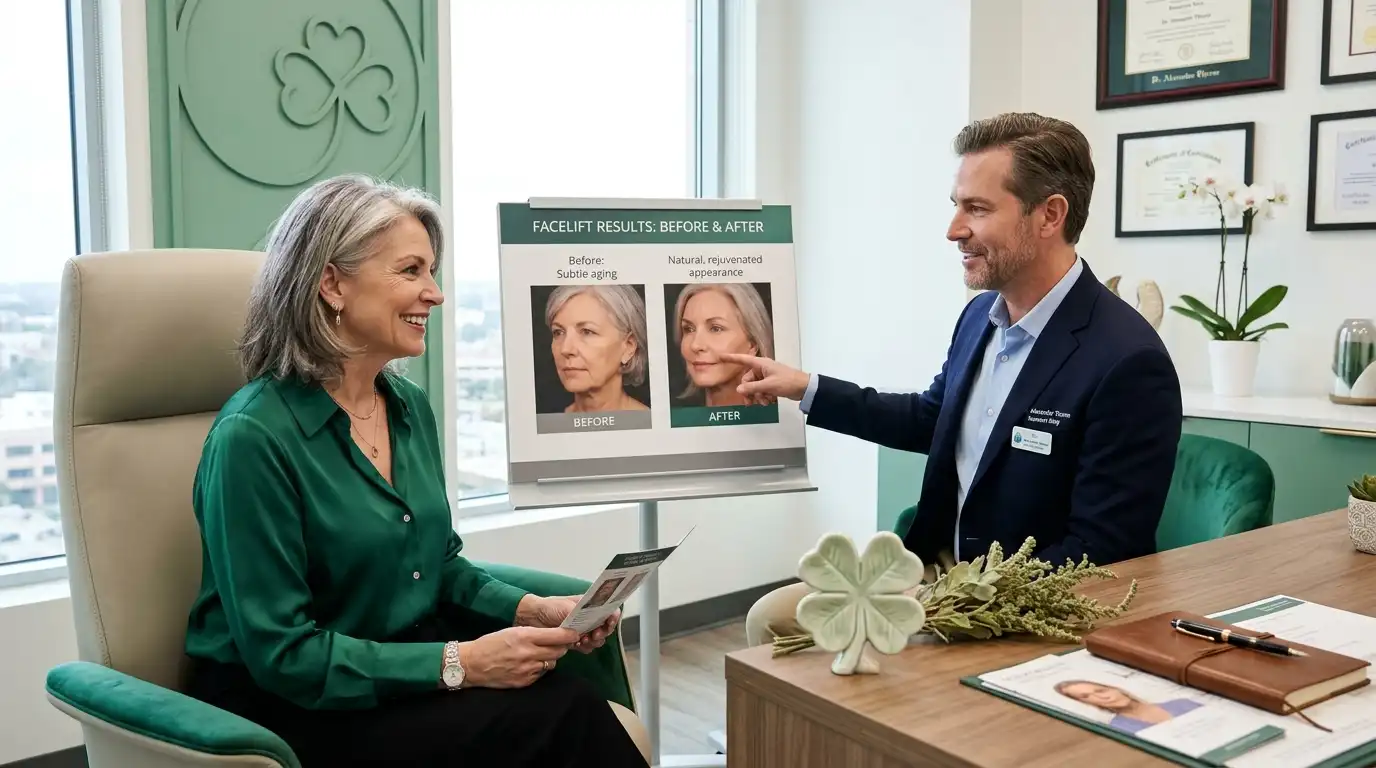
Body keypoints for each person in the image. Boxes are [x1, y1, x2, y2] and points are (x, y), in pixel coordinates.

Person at [182, 174, 648, 767]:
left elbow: (439, 565)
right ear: (332, 284)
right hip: (291, 705)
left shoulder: (406, 407)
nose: (436, 293)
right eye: (411, 271)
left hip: (397, 663)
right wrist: (462, 663)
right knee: (562, 716)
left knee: (562, 695)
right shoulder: (251, 438)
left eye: (432, 271)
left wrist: (531, 608)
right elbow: (284, 657)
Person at [737, 113, 1182, 644]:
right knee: (771, 617)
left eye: (978, 208)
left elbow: (1102, 549)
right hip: (934, 572)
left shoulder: (1128, 361)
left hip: (1015, 605)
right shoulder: (979, 317)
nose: (954, 230)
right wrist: (804, 388)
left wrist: (953, 605)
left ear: (1050, 215)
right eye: (957, 205)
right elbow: (932, 419)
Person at [545, 284, 650, 413]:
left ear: (628, 346)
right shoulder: (546, 422)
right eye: (558, 332)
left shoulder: (653, 421)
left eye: (587, 331)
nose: (566, 349)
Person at [673, 283, 774, 407]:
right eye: (689, 329)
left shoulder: (781, 415)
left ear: (753, 344)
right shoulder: (674, 415)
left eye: (716, 329)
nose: (695, 345)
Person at [1054, 680, 1202, 734]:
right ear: (1087, 703)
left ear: (1114, 688)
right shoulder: (1118, 728)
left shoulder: (1182, 703)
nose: (1103, 697)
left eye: (1101, 690)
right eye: (1086, 696)